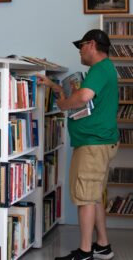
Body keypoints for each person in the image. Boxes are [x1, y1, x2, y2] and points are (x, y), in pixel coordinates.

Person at [37, 29, 119, 260]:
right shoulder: (104, 69)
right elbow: (84, 99)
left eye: (81, 46)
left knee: (85, 198)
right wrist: (55, 88)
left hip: (93, 145)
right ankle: (103, 246)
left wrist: (63, 105)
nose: (80, 51)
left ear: (91, 44)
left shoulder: (99, 69)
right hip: (101, 143)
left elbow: (83, 98)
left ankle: (84, 253)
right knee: (93, 196)